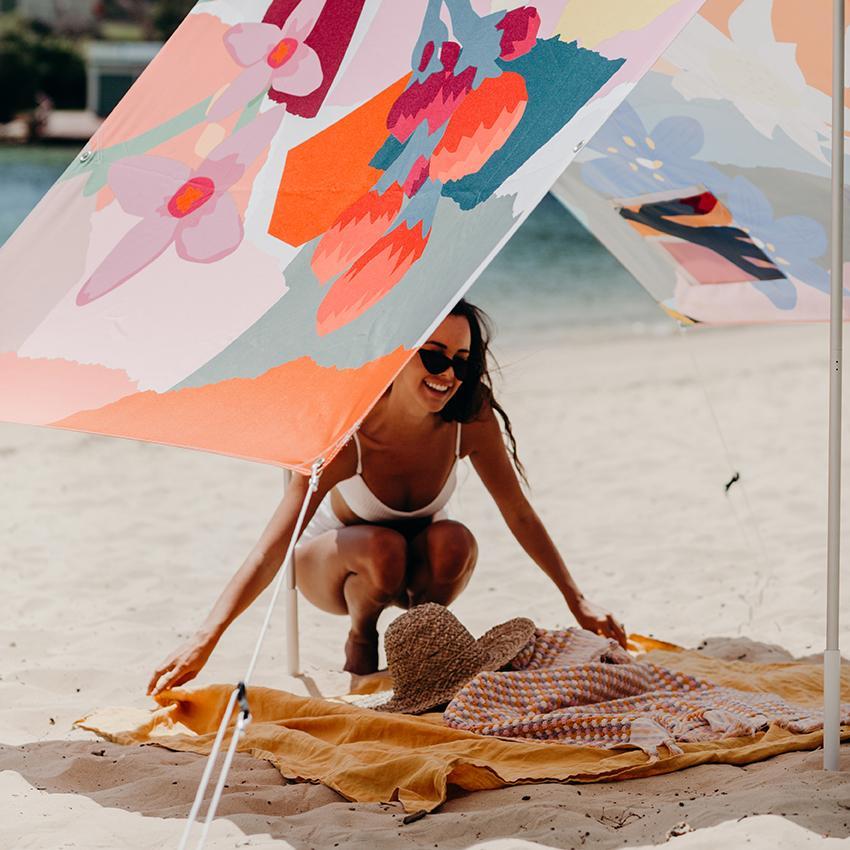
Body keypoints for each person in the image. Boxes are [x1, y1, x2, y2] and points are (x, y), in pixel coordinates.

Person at [148, 299, 627, 695]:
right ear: (398, 354)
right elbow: (271, 547)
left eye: (463, 361)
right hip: (331, 568)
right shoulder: (346, 433)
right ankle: (361, 641)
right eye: (434, 356)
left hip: (415, 567)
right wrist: (205, 638)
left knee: (454, 540)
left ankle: (420, 654)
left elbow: (518, 513)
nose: (449, 374)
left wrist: (577, 600)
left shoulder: (470, 415)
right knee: (382, 546)